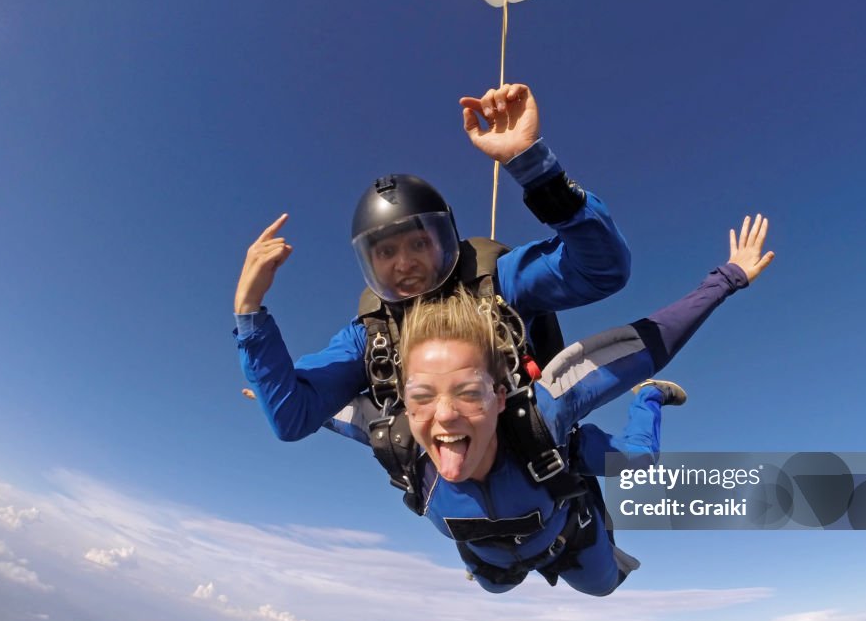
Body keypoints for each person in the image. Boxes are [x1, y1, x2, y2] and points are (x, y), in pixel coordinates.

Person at [235, 83, 632, 457]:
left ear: (445, 240)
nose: (404, 262)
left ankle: (647, 398)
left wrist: (531, 163)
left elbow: (603, 269)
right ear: (369, 262)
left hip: (543, 463)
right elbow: (292, 417)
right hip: (457, 493)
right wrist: (249, 310)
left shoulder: (496, 282)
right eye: (386, 251)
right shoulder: (371, 334)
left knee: (636, 460)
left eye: (418, 243)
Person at [392, 215, 775, 595]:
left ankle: (649, 397)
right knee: (494, 585)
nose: (445, 415)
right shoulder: (399, 442)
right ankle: (490, 561)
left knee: (631, 481)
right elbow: (344, 393)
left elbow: (642, 347)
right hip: (490, 559)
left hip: (565, 529)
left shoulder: (546, 414)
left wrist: (727, 278)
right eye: (422, 396)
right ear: (406, 405)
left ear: (500, 396)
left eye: (469, 392)